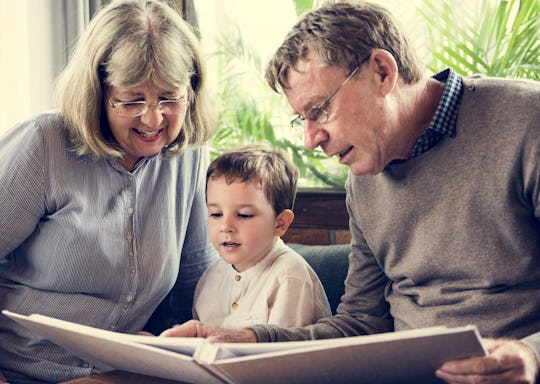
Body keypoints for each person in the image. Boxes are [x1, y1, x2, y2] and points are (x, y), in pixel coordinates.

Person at [160, 1, 540, 383]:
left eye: (320, 110)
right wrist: (248, 340)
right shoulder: (364, 177)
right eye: (301, 119)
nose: (310, 140)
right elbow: (360, 323)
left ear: (382, 72)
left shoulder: (527, 122)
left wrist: (530, 354)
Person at [0, 0, 218, 382]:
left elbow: (194, 282)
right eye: (132, 100)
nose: (153, 119)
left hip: (122, 371)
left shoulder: (187, 156)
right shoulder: (43, 146)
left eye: (170, 98)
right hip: (23, 370)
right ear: (96, 94)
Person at [179, 143, 331, 329]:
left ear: (280, 223)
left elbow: (283, 354)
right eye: (216, 214)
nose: (225, 227)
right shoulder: (211, 277)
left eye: (244, 215)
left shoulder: (290, 278)